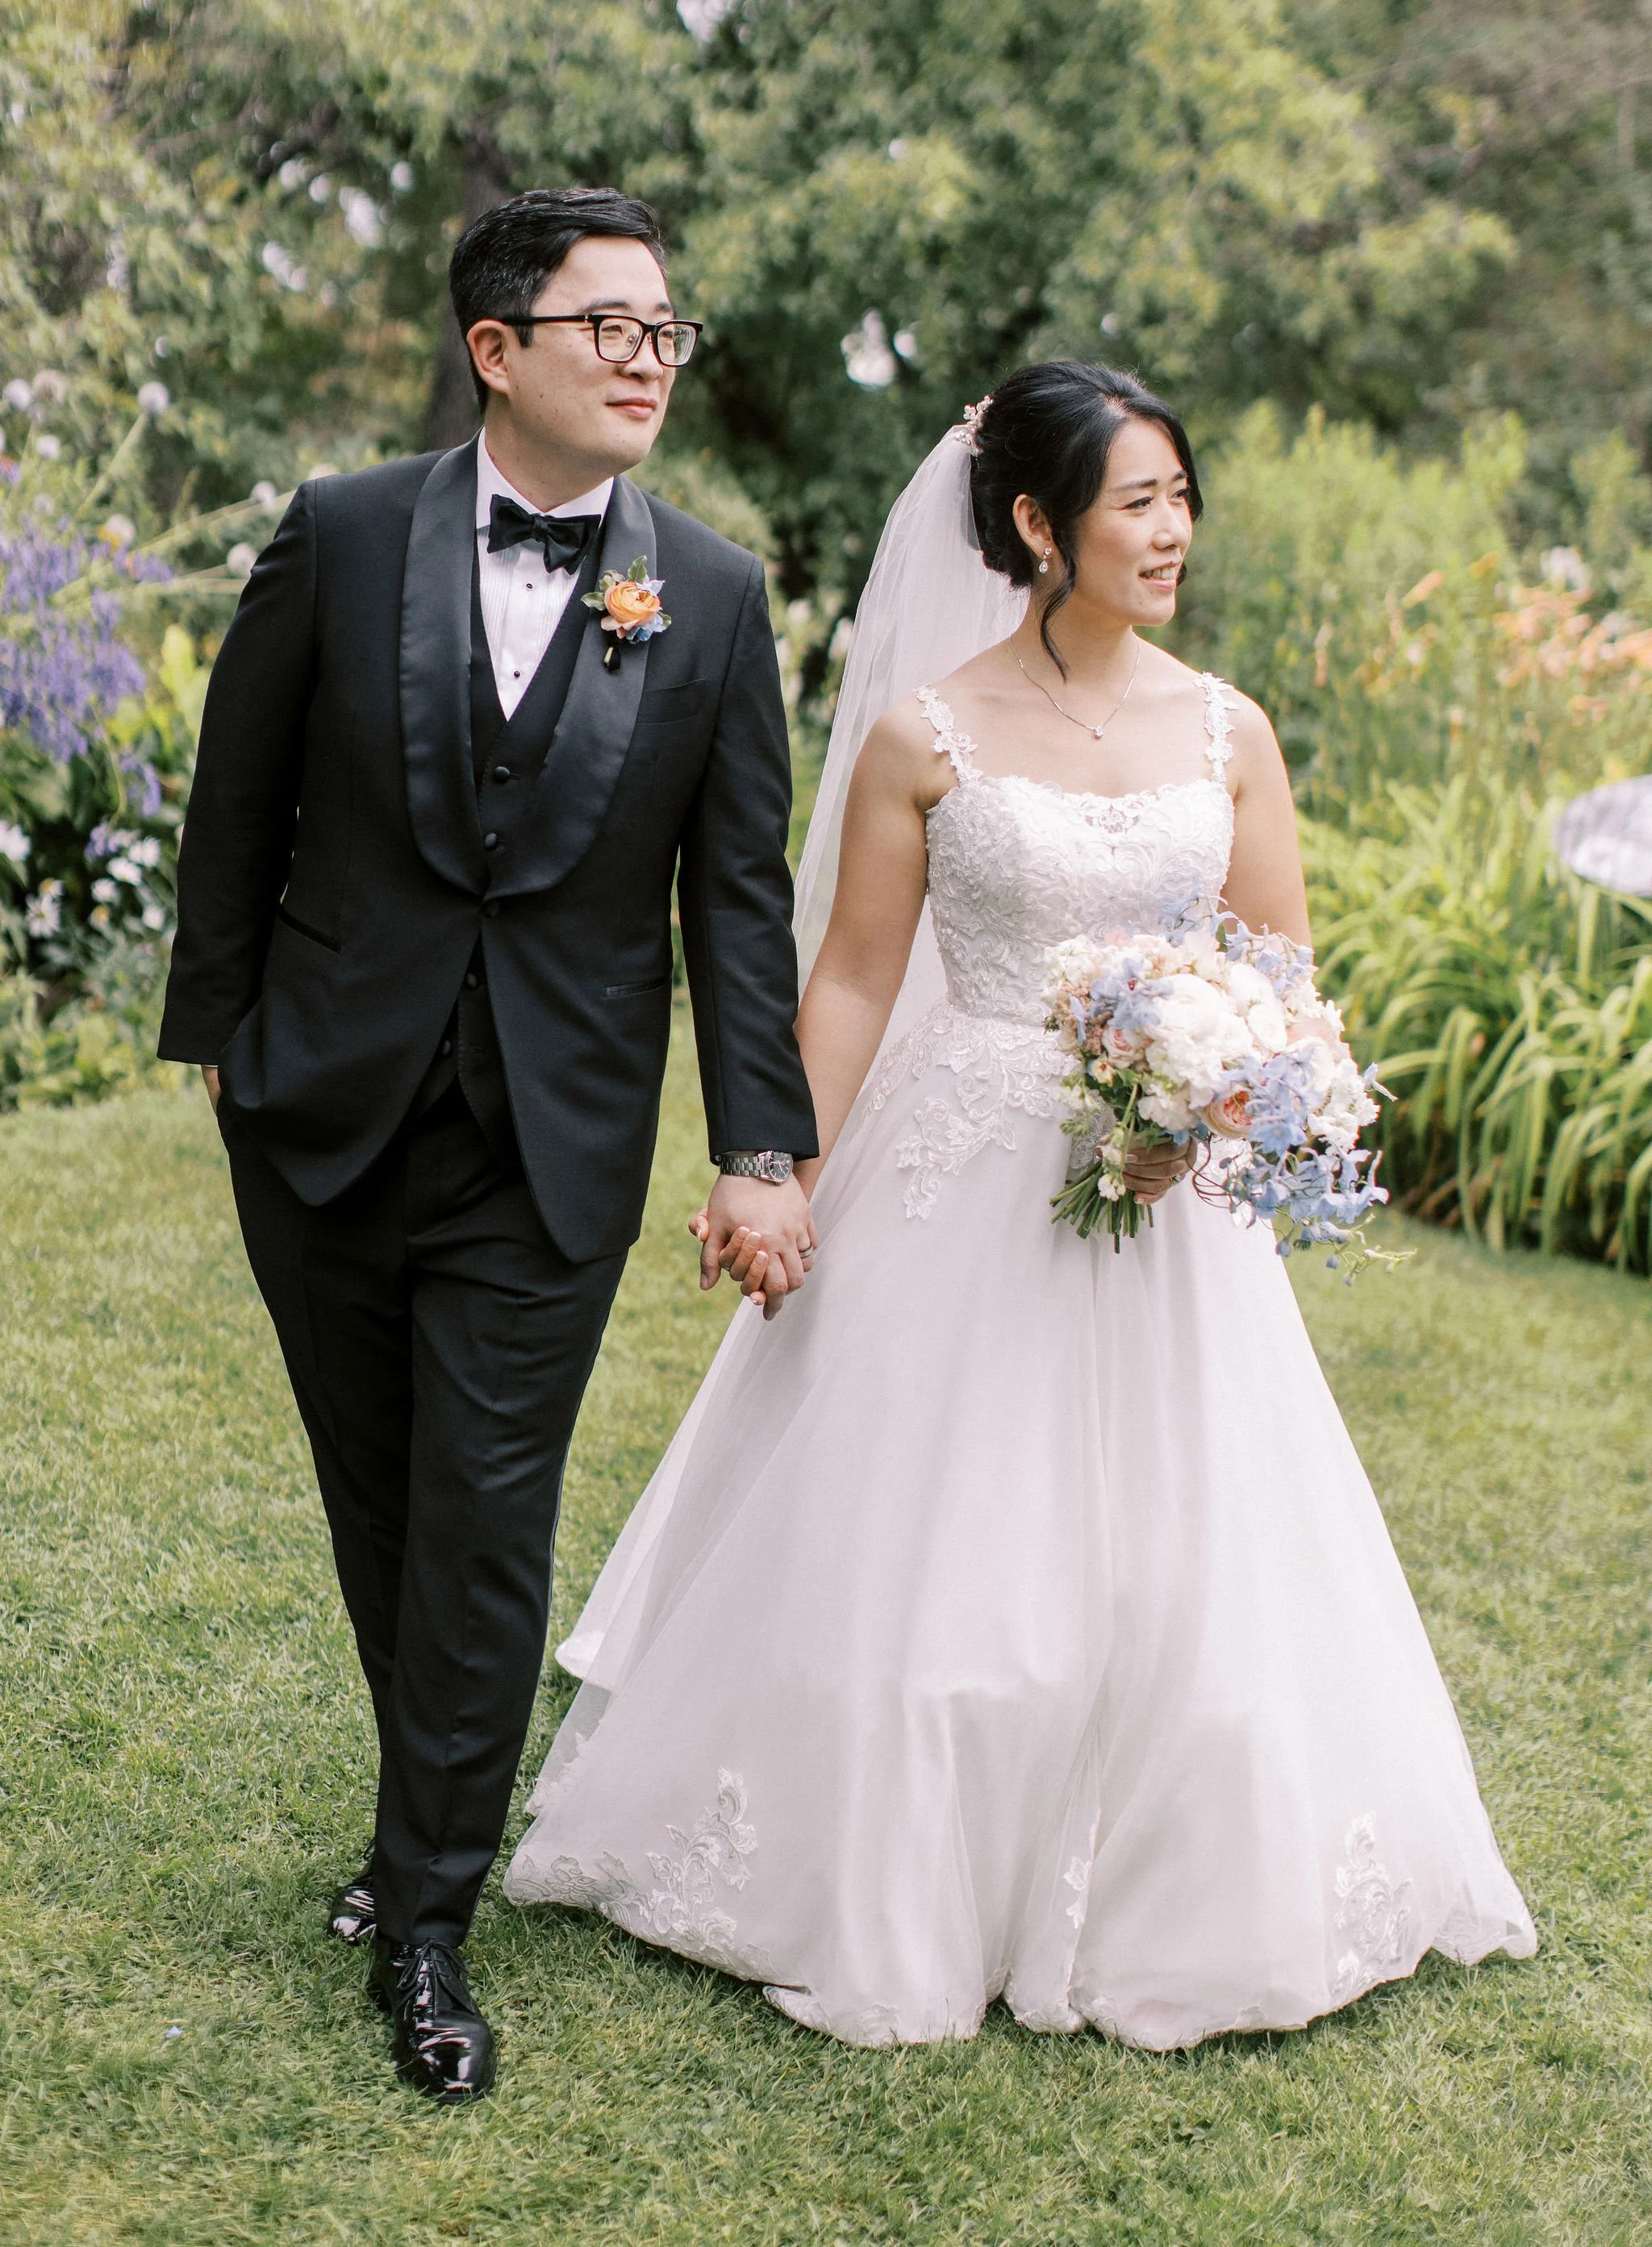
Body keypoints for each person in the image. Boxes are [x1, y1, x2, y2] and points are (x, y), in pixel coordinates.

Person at [503, 361, 1537, 2049]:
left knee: (1197, 1572)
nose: (1173, 530)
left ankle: (1181, 1869)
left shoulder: (1226, 730)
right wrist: (774, 1160)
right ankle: (892, 1861)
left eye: (1183, 497)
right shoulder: (928, 735)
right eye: (1139, 501)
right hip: (956, 1172)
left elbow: (1281, 983)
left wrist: (1198, 1113)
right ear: (1040, 524)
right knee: (935, 1561)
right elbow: (846, 982)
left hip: (1163, 1202)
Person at [158, 186, 819, 2099]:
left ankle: (429, 1910)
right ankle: (425, 1804)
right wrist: (221, 1041)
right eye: (606, 322)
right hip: (323, 1103)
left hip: (559, 1129)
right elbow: (239, 794)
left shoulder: (709, 591)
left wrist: (758, 1138)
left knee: (487, 1512)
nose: (643, 357)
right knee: (383, 1491)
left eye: (662, 330)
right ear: (495, 349)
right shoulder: (345, 532)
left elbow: (740, 896)